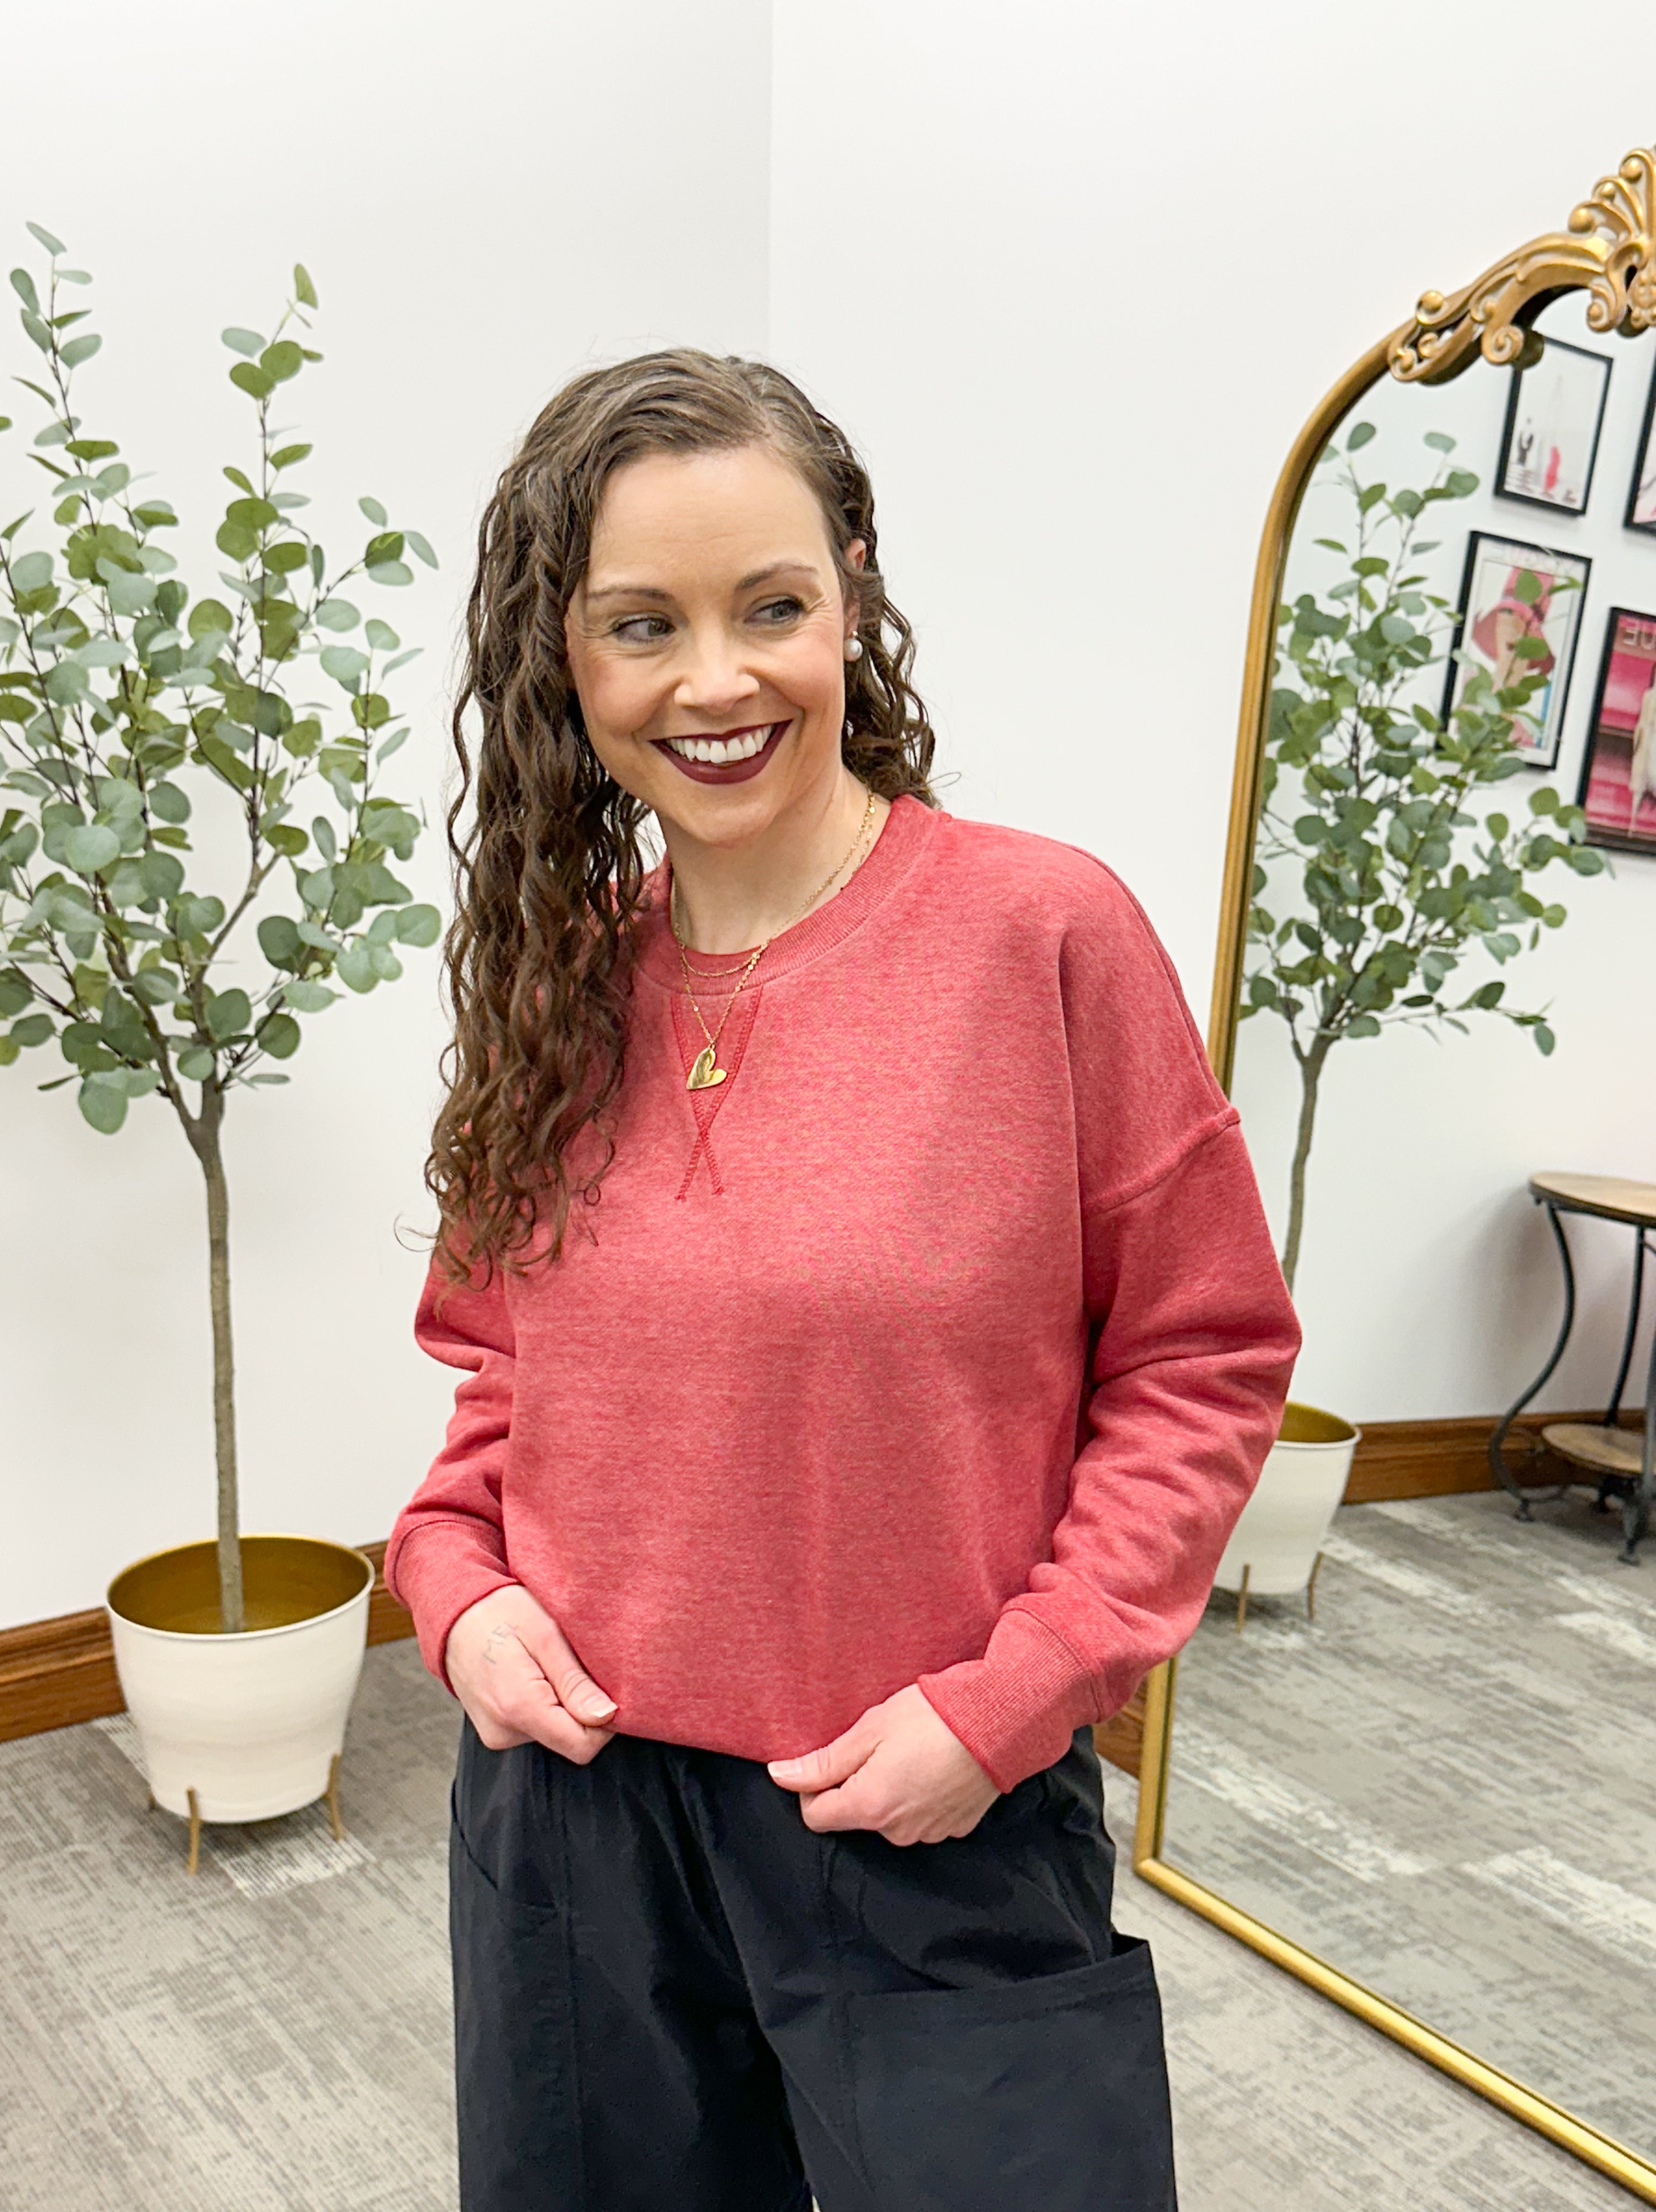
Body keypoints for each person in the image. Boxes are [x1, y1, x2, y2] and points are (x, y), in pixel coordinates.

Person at [384, 349, 1301, 2212]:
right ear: (566, 663)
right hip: (574, 1829)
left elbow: (1203, 1362)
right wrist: (455, 1587)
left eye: (771, 607)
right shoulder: (563, 975)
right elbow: (504, 1388)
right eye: (643, 624)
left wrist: (1016, 1698)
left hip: (924, 1817)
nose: (713, 681)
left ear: (854, 593)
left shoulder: (1042, 932)